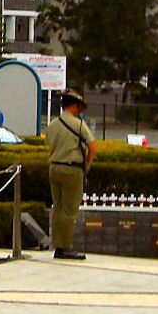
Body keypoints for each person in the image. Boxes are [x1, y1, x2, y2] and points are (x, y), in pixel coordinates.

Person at [45, 88, 97, 260]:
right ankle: (65, 247)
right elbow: (93, 146)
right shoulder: (79, 125)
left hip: (54, 167)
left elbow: (50, 145)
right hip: (72, 169)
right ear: (74, 106)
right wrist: (87, 165)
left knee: (57, 208)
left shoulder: (52, 125)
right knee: (69, 210)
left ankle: (58, 246)